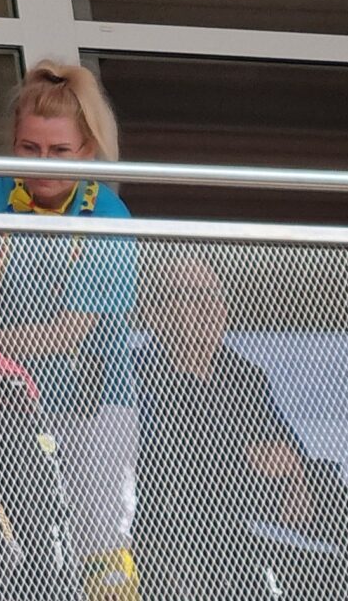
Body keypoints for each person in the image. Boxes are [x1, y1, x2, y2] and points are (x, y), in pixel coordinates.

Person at [0, 61, 140, 601]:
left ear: (87, 152)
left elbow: (68, 334)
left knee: (97, 547)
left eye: (60, 151)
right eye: (29, 148)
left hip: (89, 403)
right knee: (15, 549)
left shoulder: (109, 217)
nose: (42, 165)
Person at [132, 250, 315, 601]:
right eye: (190, 296)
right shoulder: (136, 377)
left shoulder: (246, 376)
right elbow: (159, 466)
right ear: (153, 314)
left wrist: (295, 475)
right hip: (166, 548)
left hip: (245, 540)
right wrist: (245, 460)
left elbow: (289, 456)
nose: (207, 307)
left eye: (214, 295)